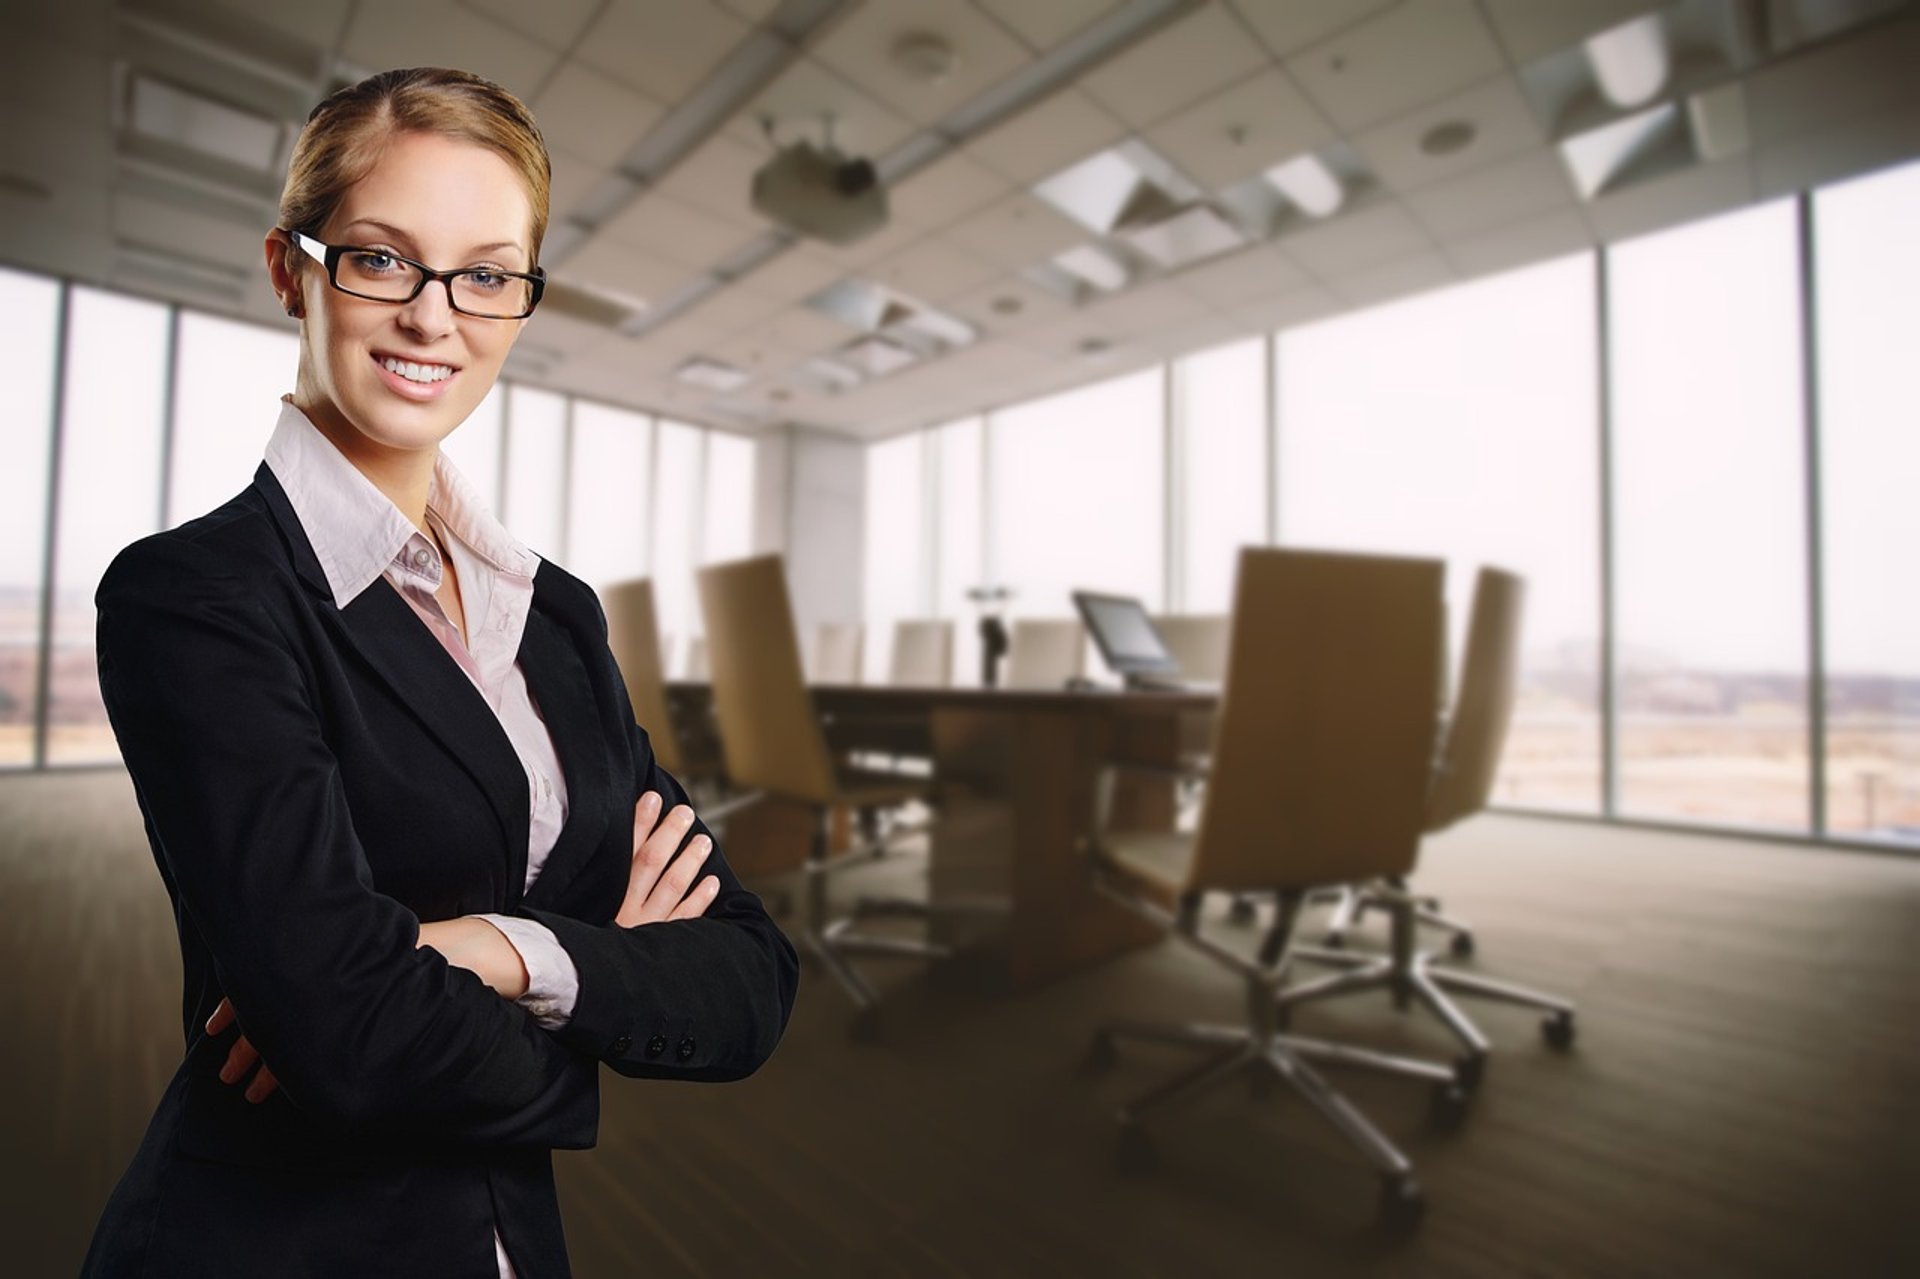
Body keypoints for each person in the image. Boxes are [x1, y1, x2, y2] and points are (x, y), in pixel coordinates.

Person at [79, 67, 798, 1278]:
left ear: (519, 300)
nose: (434, 316)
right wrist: (601, 979)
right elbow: (346, 1037)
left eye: (486, 273)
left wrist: (496, 950)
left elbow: (749, 973)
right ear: (290, 270)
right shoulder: (197, 596)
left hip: (511, 1240)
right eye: (380, 259)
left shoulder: (553, 616)